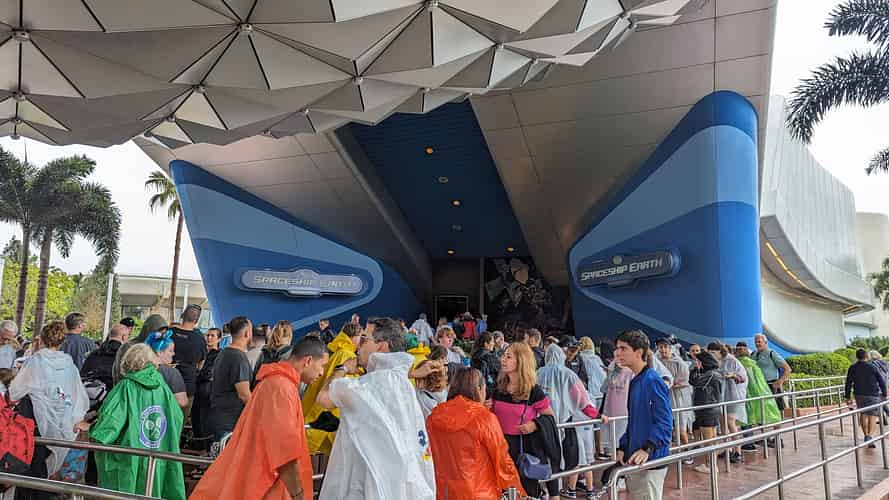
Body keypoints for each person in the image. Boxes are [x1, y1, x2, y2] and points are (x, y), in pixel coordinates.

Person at [191, 337, 329, 500]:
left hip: (255, 478)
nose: (322, 372)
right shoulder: (282, 388)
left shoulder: (274, 383)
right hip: (265, 485)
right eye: (322, 366)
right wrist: (298, 494)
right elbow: (284, 452)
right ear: (308, 361)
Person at [317, 317, 436, 500]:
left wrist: (341, 369)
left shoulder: (365, 387)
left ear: (381, 346)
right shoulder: (403, 384)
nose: (358, 345)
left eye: (364, 339)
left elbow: (323, 398)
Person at [81, 343, 185, 499]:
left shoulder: (125, 387)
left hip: (128, 460)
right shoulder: (163, 388)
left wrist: (89, 428)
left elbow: (109, 425)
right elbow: (177, 419)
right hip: (157, 457)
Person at [426, 367, 525, 500]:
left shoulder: (433, 417)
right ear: (479, 389)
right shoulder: (484, 419)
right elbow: (503, 463)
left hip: (444, 492)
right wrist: (519, 494)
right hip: (480, 493)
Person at [10, 321, 89, 479]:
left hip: (36, 421)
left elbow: (15, 391)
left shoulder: (35, 361)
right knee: (49, 466)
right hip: (64, 420)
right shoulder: (69, 365)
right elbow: (79, 395)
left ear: (42, 338)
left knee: (34, 467)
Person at [490, 342, 558, 499]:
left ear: (521, 361)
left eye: (508, 357)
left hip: (524, 449)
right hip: (500, 448)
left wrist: (534, 425)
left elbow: (550, 417)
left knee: (525, 491)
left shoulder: (533, 391)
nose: (503, 359)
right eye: (503, 356)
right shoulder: (498, 388)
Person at [537, 343, 604, 499]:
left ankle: (546, 491)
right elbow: (583, 400)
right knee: (567, 459)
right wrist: (597, 416)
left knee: (546, 459)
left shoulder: (538, 373)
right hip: (565, 423)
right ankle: (558, 492)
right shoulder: (568, 374)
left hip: (542, 424)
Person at [614, 330, 672, 500]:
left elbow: (665, 421)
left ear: (638, 352)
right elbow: (634, 421)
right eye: (618, 348)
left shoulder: (652, 380)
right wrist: (623, 446)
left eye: (623, 348)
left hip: (650, 462)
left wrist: (648, 448)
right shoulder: (635, 381)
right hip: (636, 459)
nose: (618, 353)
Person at [301, 327, 360, 455]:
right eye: (361, 337)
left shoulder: (335, 351)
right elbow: (338, 391)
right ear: (354, 336)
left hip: (312, 413)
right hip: (328, 421)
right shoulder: (348, 356)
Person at [210, 316, 252, 440]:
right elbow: (244, 394)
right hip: (231, 422)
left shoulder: (223, 353)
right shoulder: (238, 358)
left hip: (220, 417)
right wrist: (257, 412)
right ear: (247, 333)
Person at [735, 342, 781, 452]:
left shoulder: (739, 364)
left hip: (746, 394)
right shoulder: (753, 363)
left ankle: (749, 442)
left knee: (746, 418)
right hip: (758, 394)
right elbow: (759, 382)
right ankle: (764, 438)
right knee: (758, 416)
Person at [708, 342, 747, 464]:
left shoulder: (732, 360)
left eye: (713, 352)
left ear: (720, 351)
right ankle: (727, 449)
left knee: (730, 422)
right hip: (720, 396)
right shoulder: (713, 362)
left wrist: (733, 375)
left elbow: (743, 376)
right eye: (710, 353)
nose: (711, 355)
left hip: (733, 395)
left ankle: (738, 451)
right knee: (723, 423)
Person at [689, 350, 724, 473]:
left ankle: (710, 465)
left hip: (707, 409)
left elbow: (694, 381)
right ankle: (712, 464)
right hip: (711, 409)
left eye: (698, 361)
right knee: (712, 438)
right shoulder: (715, 373)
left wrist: (695, 369)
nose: (696, 363)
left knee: (708, 440)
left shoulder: (710, 374)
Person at [170, 304, 208, 418]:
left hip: (167, 380)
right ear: (197, 320)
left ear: (182, 315)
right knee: (181, 418)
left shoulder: (169, 333)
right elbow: (201, 362)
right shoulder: (199, 338)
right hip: (188, 384)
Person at [845, 348, 887, 447]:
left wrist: (847, 397)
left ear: (857, 357)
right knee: (873, 415)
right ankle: (869, 436)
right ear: (866, 356)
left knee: (863, 414)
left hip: (859, 394)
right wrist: (884, 394)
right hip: (872, 394)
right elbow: (881, 381)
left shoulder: (852, 367)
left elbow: (848, 383)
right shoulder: (872, 367)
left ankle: (866, 435)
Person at [752, 333, 791, 437]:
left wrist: (780, 381)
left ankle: (777, 437)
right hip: (759, 387)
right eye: (756, 342)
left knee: (776, 411)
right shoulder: (754, 354)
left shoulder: (771, 353)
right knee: (760, 412)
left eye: (759, 342)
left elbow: (787, 369)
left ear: (765, 342)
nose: (757, 344)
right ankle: (764, 437)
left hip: (771, 385)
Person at [656, 339, 692, 447]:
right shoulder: (657, 362)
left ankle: (687, 450)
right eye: (660, 347)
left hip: (678, 398)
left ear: (670, 348)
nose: (663, 350)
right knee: (666, 427)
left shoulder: (679, 363)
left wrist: (669, 384)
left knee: (681, 429)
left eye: (665, 347)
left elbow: (685, 382)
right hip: (663, 396)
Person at [144, 329, 189, 409]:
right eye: (170, 350)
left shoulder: (138, 368)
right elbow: (182, 402)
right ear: (159, 352)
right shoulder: (171, 373)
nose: (173, 354)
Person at [194, 327, 222, 446]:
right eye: (208, 335)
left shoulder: (219, 355)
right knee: (197, 423)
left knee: (205, 424)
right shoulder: (202, 353)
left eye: (212, 336)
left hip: (208, 394)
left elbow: (208, 374)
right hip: (197, 392)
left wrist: (198, 372)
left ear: (219, 339)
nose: (209, 338)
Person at [598, 359, 632, 460]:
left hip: (623, 412)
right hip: (609, 412)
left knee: (621, 440)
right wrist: (611, 374)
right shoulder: (613, 372)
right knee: (611, 440)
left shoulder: (630, 372)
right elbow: (603, 389)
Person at [81, 324, 129, 391]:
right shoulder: (125, 356)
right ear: (124, 337)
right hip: (114, 393)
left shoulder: (94, 353)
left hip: (91, 393)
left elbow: (83, 375)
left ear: (110, 335)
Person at [251, 320, 293, 387]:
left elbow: (254, 379)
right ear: (289, 335)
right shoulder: (290, 353)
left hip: (260, 390)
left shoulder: (263, 353)